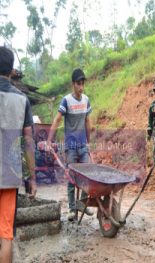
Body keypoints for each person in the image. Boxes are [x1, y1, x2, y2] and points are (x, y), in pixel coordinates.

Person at [0, 46, 36, 263]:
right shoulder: (22, 100)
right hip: (9, 176)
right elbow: (28, 143)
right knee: (6, 235)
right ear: (12, 70)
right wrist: (31, 178)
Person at [47, 68, 93, 221]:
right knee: (72, 178)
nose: (81, 87)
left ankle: (82, 204)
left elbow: (87, 121)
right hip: (70, 147)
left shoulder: (86, 100)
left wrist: (89, 141)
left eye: (83, 84)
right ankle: (73, 209)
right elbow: (57, 120)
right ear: (73, 84)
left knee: (88, 175)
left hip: (82, 145)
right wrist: (49, 140)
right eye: (79, 84)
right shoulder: (66, 100)